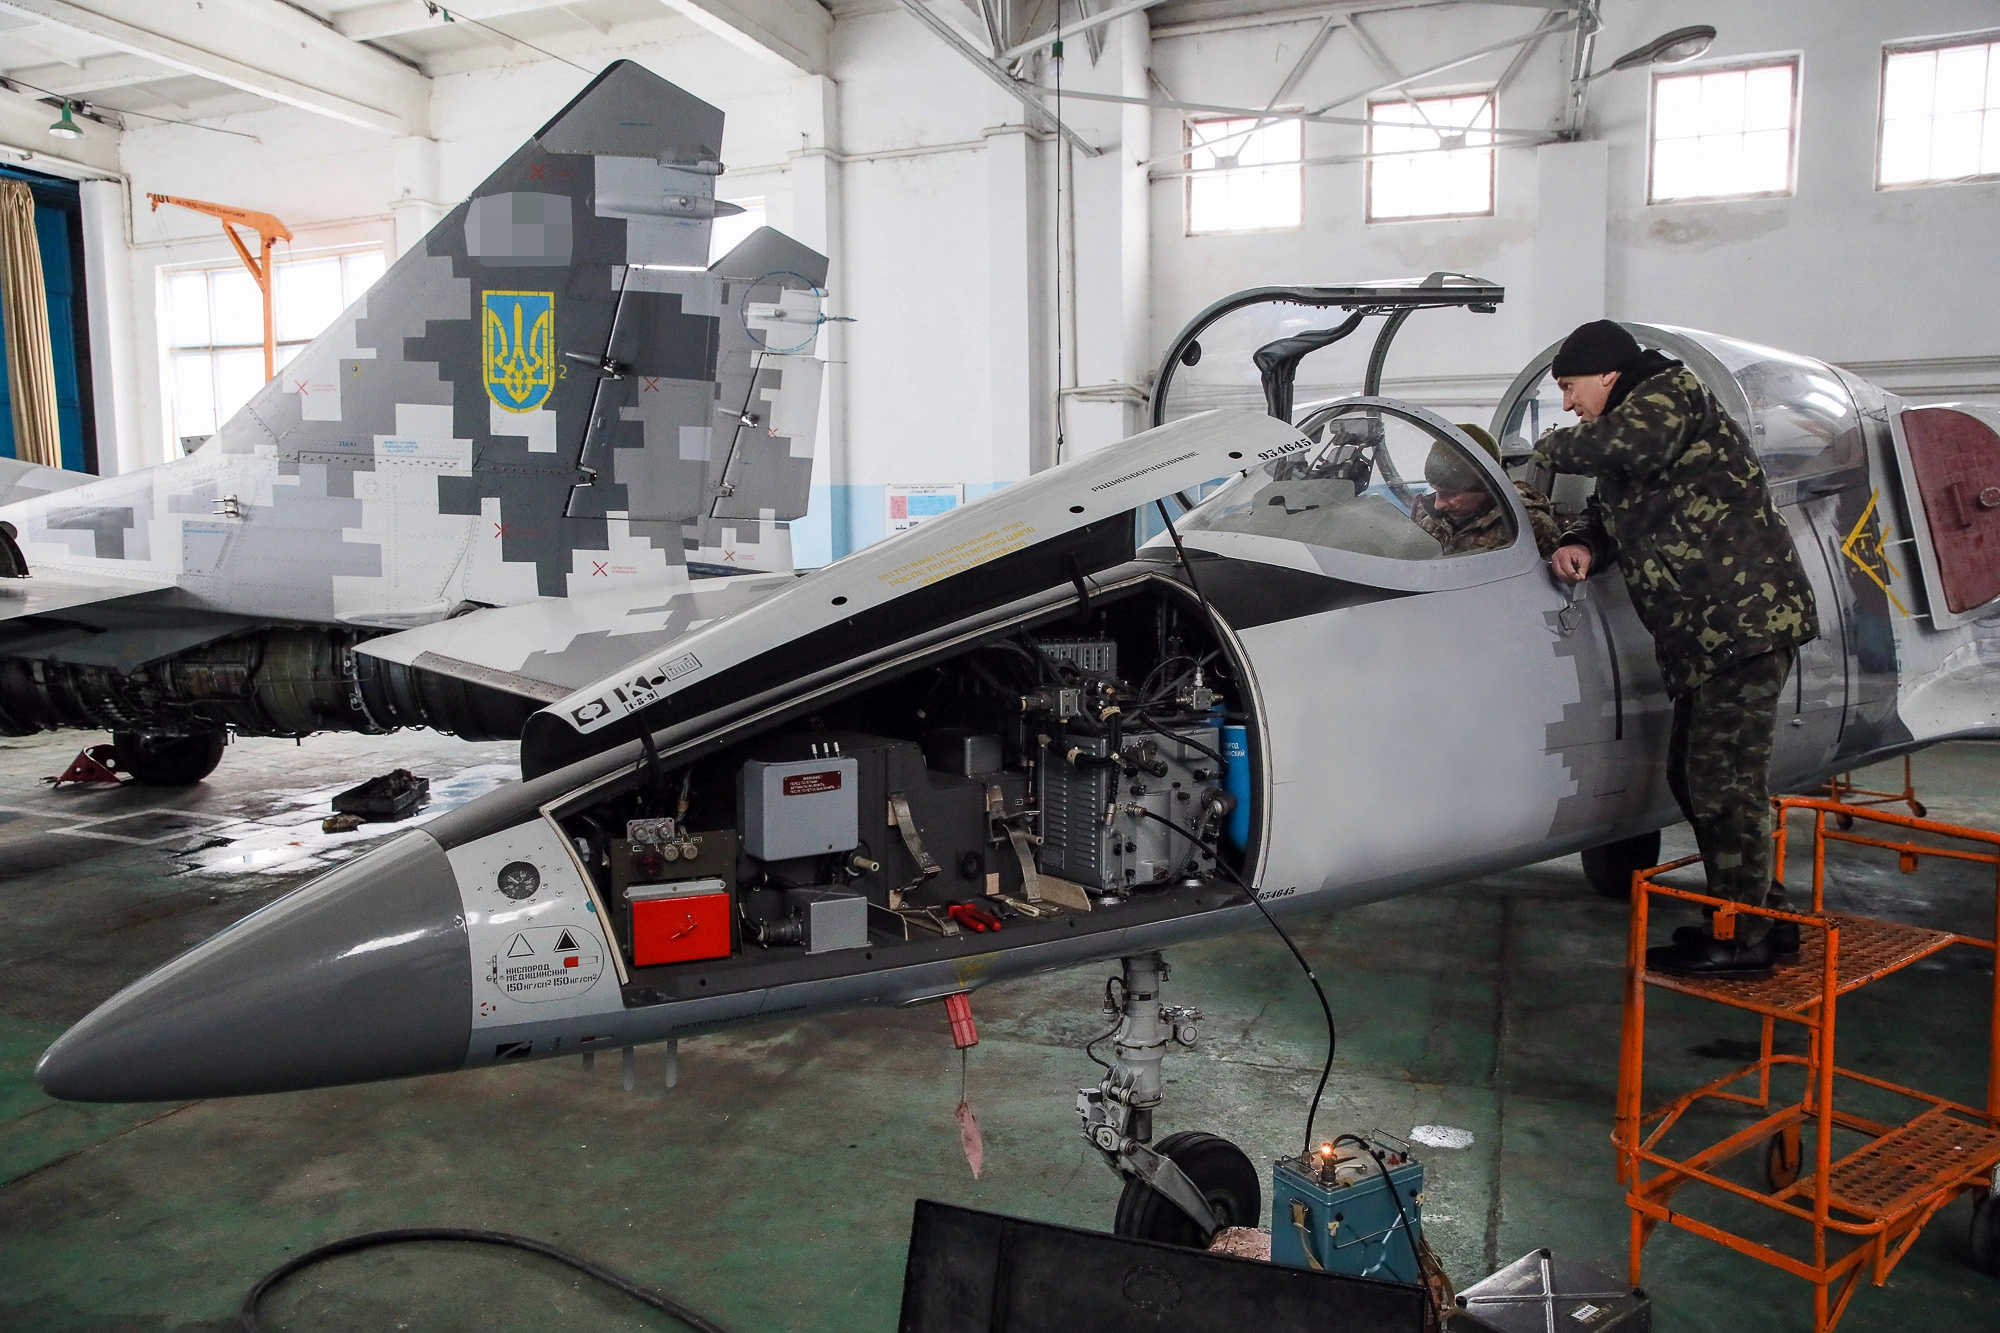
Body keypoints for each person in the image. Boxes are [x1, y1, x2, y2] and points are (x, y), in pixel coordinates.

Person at [1533, 320, 1818, 978]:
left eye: (1571, 388)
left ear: (1607, 374)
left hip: (1742, 624)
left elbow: (1628, 444)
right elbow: (1616, 509)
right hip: (1704, 638)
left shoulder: (1669, 396)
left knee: (1724, 783)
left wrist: (1544, 447)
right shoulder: (1640, 432)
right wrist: (1584, 542)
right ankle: (1761, 916)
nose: (1569, 404)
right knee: (1693, 778)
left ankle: (1745, 939)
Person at [1410, 425, 1560, 557]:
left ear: (1486, 488)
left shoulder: (1529, 527)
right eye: (1436, 491)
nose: (1438, 505)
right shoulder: (1432, 521)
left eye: (1449, 494)